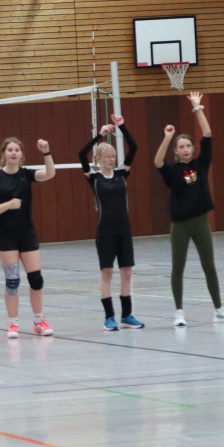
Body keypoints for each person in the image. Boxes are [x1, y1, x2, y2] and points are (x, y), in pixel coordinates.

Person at [154, 91, 224, 327]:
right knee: (177, 268)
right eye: (181, 146)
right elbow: (157, 162)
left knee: (209, 266)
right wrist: (168, 137)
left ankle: (219, 309)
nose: (186, 149)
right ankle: (179, 312)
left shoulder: (201, 164)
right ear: (176, 150)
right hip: (180, 225)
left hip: (200, 221)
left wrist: (197, 108)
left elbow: (207, 134)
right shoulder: (172, 171)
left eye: (188, 145)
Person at [0, 134, 55, 338]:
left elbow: (50, 173)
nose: (13, 153)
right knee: (12, 281)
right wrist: (8, 205)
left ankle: (39, 321)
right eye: (10, 150)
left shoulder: (27, 174)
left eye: (17, 150)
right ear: (4, 153)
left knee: (36, 279)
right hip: (7, 236)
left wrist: (46, 153)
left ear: (22, 154)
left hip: (27, 234)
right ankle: (13, 324)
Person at [78, 116, 144, 330]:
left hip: (124, 231)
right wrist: (100, 135)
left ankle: (127, 315)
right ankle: (109, 317)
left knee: (127, 272)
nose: (112, 159)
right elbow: (81, 153)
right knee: (107, 272)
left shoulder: (122, 173)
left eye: (114, 156)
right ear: (99, 159)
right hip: (105, 232)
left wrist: (122, 126)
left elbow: (134, 147)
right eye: (107, 156)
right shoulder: (93, 178)